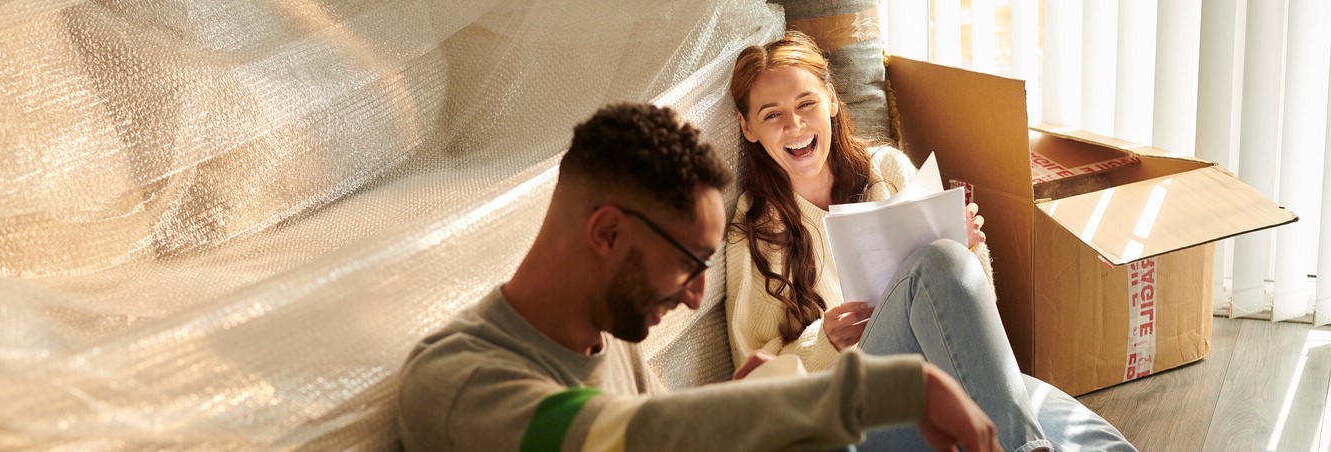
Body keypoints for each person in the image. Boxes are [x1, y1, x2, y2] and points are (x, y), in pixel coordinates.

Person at [396, 102, 1002, 451]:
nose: (693, 298)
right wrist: (885, 390)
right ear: (607, 233)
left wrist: (738, 401)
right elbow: (628, 437)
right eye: (688, 266)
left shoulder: (610, 343)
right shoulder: (456, 382)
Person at [723, 31, 1133, 452]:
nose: (794, 125)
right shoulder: (754, 230)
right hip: (849, 421)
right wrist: (822, 342)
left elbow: (974, 321)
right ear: (748, 127)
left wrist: (967, 247)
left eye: (805, 103)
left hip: (941, 384)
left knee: (1098, 445)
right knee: (939, 263)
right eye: (771, 114)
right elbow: (755, 385)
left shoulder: (888, 170)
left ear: (830, 98)